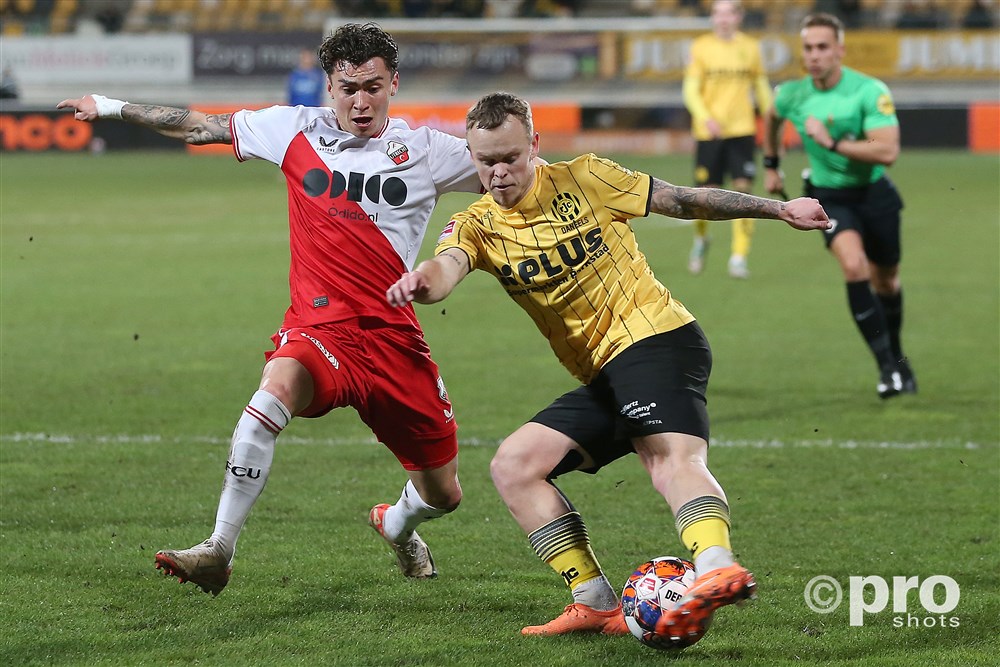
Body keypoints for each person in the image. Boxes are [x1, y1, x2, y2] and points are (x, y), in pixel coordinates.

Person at [57, 22, 486, 596]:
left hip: (392, 340)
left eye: (374, 87)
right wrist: (108, 105)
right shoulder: (289, 129)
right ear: (328, 85)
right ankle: (218, 549)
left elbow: (507, 175)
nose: (361, 101)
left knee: (445, 494)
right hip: (320, 328)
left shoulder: (431, 152)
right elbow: (197, 124)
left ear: (394, 84)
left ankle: (397, 524)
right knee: (272, 393)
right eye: (348, 86)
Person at [386, 92, 830, 641]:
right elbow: (447, 266)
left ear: (535, 146)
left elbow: (681, 199)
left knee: (667, 458)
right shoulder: (477, 224)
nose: (498, 173)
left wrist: (776, 209)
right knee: (515, 465)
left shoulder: (586, 178)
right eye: (485, 161)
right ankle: (593, 601)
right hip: (605, 374)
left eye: (510, 157)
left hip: (658, 336)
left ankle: (715, 565)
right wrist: (423, 283)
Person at [763, 13, 917, 400]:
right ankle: (885, 369)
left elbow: (888, 150)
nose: (813, 55)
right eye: (808, 48)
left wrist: (829, 142)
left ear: (840, 51)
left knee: (887, 281)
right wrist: (771, 165)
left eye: (822, 47)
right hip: (828, 197)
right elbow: (772, 116)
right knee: (853, 265)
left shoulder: (868, 91)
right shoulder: (792, 94)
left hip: (874, 195)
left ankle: (896, 358)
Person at [682, 0, 772, 279]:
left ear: (738, 17)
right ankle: (701, 240)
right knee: (704, 196)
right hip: (710, 133)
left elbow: (759, 84)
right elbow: (691, 89)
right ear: (712, 18)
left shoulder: (751, 48)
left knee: (743, 193)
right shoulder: (701, 48)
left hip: (742, 130)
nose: (722, 19)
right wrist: (704, 116)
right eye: (717, 13)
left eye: (728, 13)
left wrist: (770, 114)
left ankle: (739, 256)